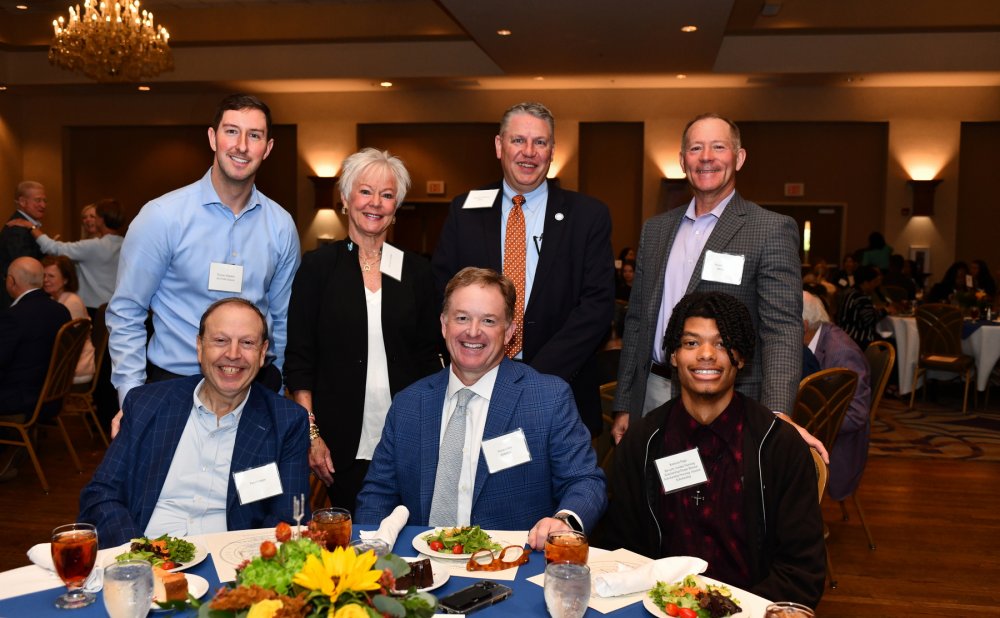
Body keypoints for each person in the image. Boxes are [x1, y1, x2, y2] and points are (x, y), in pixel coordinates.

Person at [612, 113, 821, 459]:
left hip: (729, 396)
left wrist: (777, 412)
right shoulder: (656, 230)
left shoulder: (769, 229)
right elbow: (636, 321)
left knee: (720, 501)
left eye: (718, 147)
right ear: (682, 161)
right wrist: (624, 401)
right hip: (654, 391)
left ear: (738, 158)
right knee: (653, 498)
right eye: (695, 148)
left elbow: (781, 329)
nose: (706, 157)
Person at [356, 268, 607, 550]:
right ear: (444, 324)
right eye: (462, 318)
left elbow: (585, 481)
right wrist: (371, 558)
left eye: (488, 320)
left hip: (510, 570)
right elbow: (377, 493)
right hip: (420, 570)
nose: (473, 331)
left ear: (510, 331)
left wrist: (565, 521)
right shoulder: (408, 404)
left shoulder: (548, 398)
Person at [605, 291, 825, 608]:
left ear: (742, 356)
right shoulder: (643, 443)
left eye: (722, 344)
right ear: (674, 356)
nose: (706, 354)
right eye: (691, 343)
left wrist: (734, 612)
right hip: (657, 609)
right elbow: (620, 550)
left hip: (751, 611)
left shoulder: (778, 447)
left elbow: (802, 572)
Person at [107, 94, 300, 425]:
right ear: (212, 138)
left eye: (254, 135)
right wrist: (132, 396)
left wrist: (278, 387)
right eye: (231, 131)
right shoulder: (162, 217)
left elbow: (282, 320)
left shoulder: (281, 226)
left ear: (267, 148)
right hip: (174, 385)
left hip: (255, 389)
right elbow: (126, 312)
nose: (241, 145)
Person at [431, 102, 615, 436]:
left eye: (540, 143)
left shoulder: (588, 216)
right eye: (518, 141)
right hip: (476, 385)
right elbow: (443, 293)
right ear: (500, 146)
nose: (528, 152)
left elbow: (597, 308)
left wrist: (531, 378)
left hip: (560, 388)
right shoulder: (464, 210)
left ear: (552, 151)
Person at [78, 298, 310, 548]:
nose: (233, 354)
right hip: (144, 553)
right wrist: (138, 554)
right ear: (199, 346)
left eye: (247, 343)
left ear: (263, 353)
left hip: (230, 567)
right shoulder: (147, 404)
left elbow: (290, 518)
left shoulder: (286, 421)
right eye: (220, 341)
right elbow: (101, 495)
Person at [285, 148, 442, 515]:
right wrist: (312, 435)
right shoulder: (318, 268)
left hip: (407, 436)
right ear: (344, 199)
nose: (376, 203)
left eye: (387, 195)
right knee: (352, 542)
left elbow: (429, 356)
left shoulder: (417, 271)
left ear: (397, 206)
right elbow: (300, 360)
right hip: (339, 442)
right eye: (365, 191)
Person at [0, 257, 71, 481]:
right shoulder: (60, 311)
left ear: (11, 281)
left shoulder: (14, 316)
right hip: (50, 396)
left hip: (22, 399)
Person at [802, 291, 872, 501]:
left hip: (838, 447)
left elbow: (856, 415)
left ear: (803, 325)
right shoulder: (816, 341)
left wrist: (806, 427)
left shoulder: (841, 353)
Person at [7, 198, 126, 315]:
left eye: (95, 216)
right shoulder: (125, 243)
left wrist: (31, 227)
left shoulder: (96, 246)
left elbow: (53, 248)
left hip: (94, 307)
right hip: (115, 304)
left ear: (101, 219)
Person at [42, 256, 95, 384]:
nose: (45, 280)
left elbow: (68, 344)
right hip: (66, 364)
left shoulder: (72, 302)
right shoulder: (54, 300)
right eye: (43, 275)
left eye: (51, 276)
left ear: (65, 279)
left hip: (77, 367)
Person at [0, 181, 47, 310]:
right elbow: (25, 271)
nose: (43, 205)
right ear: (22, 201)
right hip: (15, 299)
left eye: (44, 200)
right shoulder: (17, 229)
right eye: (38, 200)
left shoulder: (27, 225)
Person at [838, 265, 889, 349]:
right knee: (890, 343)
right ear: (866, 283)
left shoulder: (849, 292)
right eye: (874, 282)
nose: (875, 285)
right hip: (858, 339)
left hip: (844, 335)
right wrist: (886, 311)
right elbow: (870, 319)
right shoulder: (861, 297)